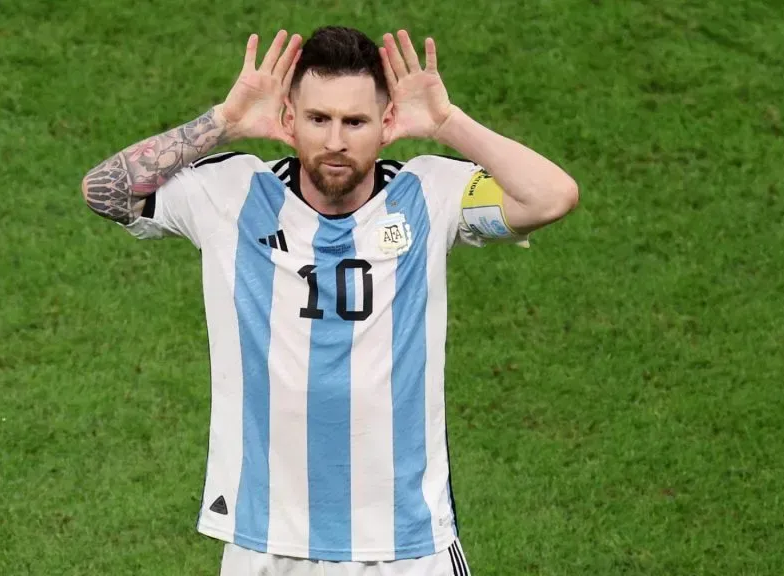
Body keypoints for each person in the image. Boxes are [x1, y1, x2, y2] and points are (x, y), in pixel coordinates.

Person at [81, 25, 578, 576]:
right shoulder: (230, 194)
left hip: (406, 541)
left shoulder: (431, 195)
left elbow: (552, 197)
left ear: (387, 124)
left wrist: (447, 124)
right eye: (319, 119)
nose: (335, 141)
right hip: (265, 537)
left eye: (355, 121)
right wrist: (223, 121)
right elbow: (104, 190)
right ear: (290, 120)